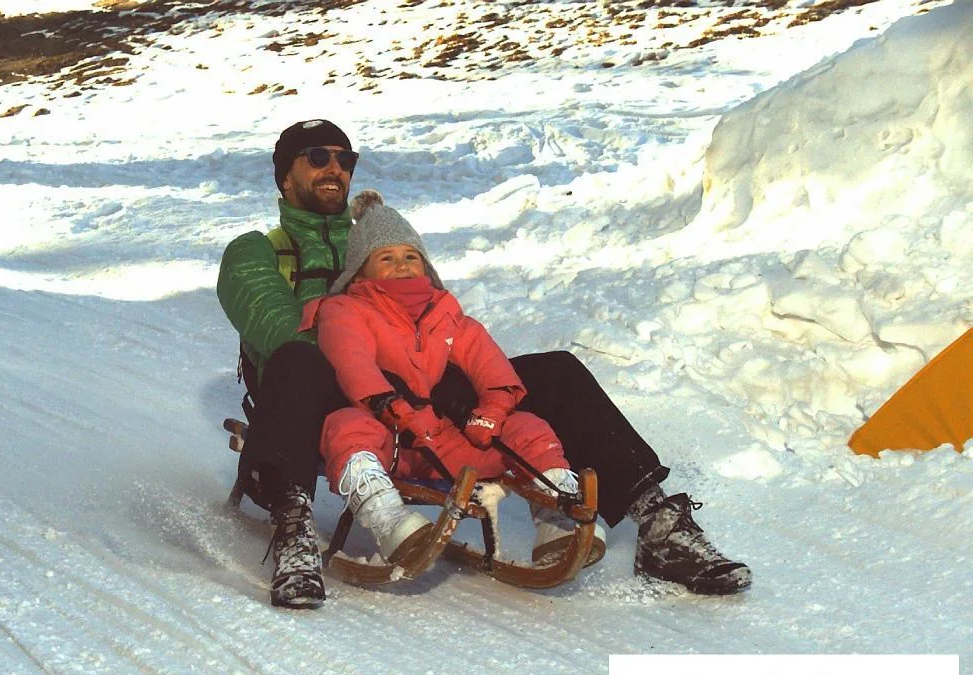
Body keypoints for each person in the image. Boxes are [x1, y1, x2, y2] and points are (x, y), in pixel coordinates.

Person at [216, 118, 750, 608]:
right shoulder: (258, 251)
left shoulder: (387, 236)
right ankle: (293, 531)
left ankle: (657, 521)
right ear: (284, 176)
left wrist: (459, 378)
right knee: (295, 357)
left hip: (426, 395)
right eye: (316, 157)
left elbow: (444, 323)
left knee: (555, 371)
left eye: (345, 159)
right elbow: (273, 329)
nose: (335, 168)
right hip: (319, 397)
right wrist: (378, 354)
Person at [306, 190, 600, 569]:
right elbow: (352, 362)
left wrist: (491, 413)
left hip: (448, 443)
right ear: (360, 270)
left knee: (528, 426)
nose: (402, 266)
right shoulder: (345, 311)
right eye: (387, 258)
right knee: (345, 426)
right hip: (391, 441)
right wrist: (389, 405)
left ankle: (557, 518)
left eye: (411, 256)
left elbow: (491, 368)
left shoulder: (446, 313)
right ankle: (387, 518)